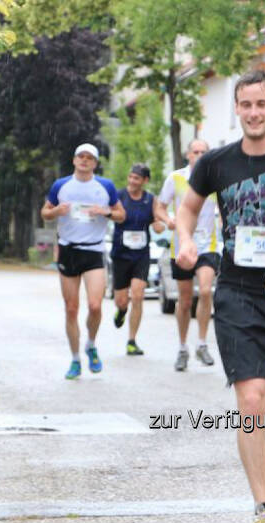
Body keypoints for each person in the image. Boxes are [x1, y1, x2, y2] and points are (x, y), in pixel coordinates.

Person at [174, 70, 265, 523]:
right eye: (245, 104)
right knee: (250, 400)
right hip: (236, 291)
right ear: (236, 109)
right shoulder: (215, 163)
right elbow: (189, 209)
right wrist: (185, 241)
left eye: (262, 103)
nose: (253, 112)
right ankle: (264, 509)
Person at [41, 143, 125, 380]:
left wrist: (105, 212)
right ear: (74, 160)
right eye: (81, 156)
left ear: (95, 163)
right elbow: (44, 213)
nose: (85, 160)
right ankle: (76, 359)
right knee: (71, 309)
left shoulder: (105, 186)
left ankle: (91, 343)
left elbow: (121, 215)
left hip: (94, 250)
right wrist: (57, 211)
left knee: (96, 305)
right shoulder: (61, 185)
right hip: (68, 249)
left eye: (90, 158)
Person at [155, 139, 220, 371]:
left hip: (207, 246)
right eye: (196, 151)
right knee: (184, 301)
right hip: (182, 245)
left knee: (204, 291)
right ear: (188, 154)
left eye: (204, 151)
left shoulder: (215, 178)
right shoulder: (176, 178)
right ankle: (182, 347)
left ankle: (202, 344)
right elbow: (159, 207)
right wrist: (168, 220)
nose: (200, 155)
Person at [111, 163, 162, 356]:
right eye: (130, 177)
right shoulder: (118, 196)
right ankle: (121, 311)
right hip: (120, 254)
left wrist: (159, 225)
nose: (132, 181)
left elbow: (157, 220)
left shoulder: (150, 200)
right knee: (122, 301)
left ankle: (131, 340)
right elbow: (111, 215)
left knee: (138, 295)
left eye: (137, 178)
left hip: (141, 254)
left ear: (145, 181)